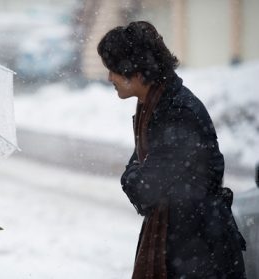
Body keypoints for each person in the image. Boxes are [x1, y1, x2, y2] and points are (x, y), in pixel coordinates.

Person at [97, 21, 246, 278]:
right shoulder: (156, 107)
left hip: (200, 255)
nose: (109, 77)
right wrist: (135, 174)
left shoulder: (177, 113)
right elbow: (143, 174)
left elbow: (145, 190)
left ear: (137, 70)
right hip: (185, 247)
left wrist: (132, 175)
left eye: (113, 68)